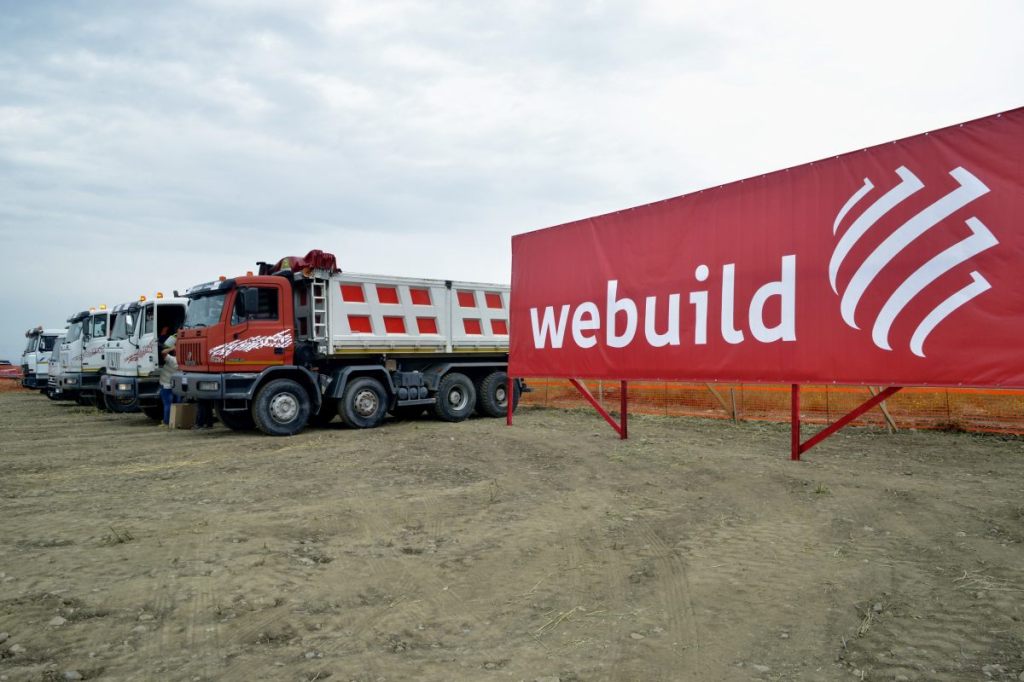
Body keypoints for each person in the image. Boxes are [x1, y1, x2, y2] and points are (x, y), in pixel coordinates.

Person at [158, 335, 179, 427]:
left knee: (167, 404)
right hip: (176, 386)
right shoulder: (182, 362)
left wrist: (171, 348)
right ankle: (176, 421)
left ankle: (166, 422)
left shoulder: (172, 360)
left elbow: (163, 352)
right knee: (177, 404)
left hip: (166, 384)